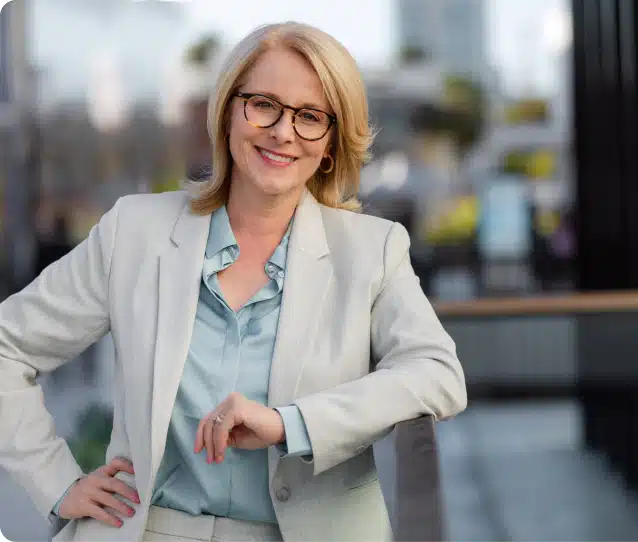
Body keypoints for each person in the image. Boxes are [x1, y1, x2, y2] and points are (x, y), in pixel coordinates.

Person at [0, 22, 467, 542]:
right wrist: (57, 485)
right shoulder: (133, 232)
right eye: (263, 104)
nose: (283, 132)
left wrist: (291, 424)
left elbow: (437, 375)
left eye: (310, 116)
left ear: (332, 142)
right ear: (228, 114)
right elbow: (6, 346)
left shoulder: (372, 250)